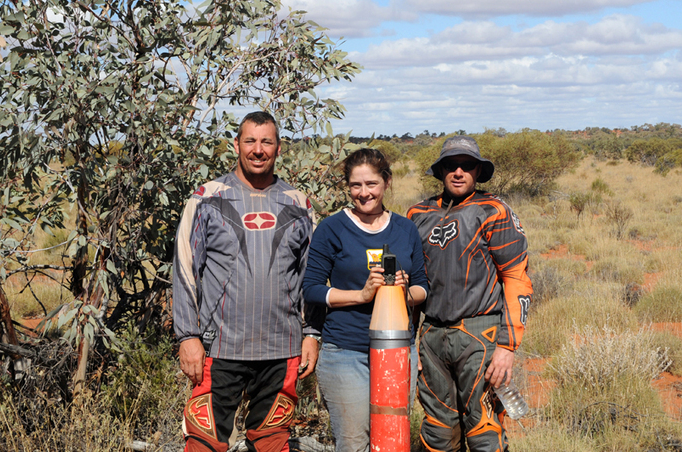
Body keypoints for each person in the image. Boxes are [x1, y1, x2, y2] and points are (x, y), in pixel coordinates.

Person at [172, 111, 320, 452]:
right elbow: (184, 269)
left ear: (279, 148)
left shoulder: (299, 204)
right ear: (236, 145)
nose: (258, 150)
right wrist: (187, 336)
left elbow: (310, 277)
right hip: (217, 347)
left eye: (266, 141)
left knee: (271, 442)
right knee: (204, 442)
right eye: (250, 141)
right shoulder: (207, 198)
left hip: (282, 348)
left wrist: (311, 334)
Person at [407, 136, 533, 452]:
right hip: (432, 336)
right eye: (451, 165)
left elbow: (517, 279)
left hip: (481, 335)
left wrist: (507, 346)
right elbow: (408, 287)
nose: (459, 172)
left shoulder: (494, 211)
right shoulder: (416, 215)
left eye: (467, 165)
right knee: (437, 431)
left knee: (484, 430)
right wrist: (409, 343)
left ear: (478, 171)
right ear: (440, 171)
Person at [303, 148, 428, 452]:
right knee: (354, 443)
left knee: (393, 439)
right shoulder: (332, 228)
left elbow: (423, 289)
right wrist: (361, 295)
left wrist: (402, 289)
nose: (364, 193)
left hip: (398, 351)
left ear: (386, 182)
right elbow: (312, 289)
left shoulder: (405, 228)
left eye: (371, 184)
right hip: (346, 351)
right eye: (356, 185)